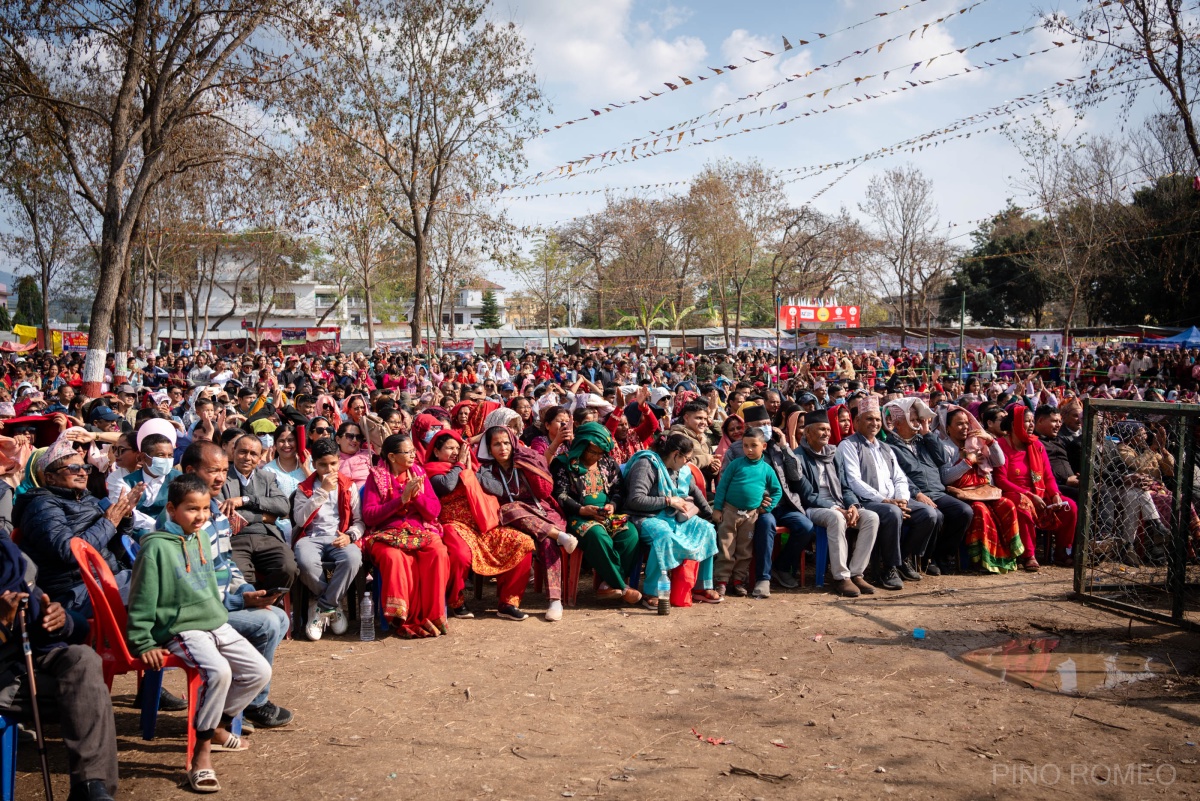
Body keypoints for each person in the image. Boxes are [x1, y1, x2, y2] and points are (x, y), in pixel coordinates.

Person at [127, 473, 272, 793]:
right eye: (192, 509)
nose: (201, 516)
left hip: (215, 623)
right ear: (171, 509)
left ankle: (218, 726)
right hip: (181, 629)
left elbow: (211, 591)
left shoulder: (203, 539)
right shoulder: (155, 548)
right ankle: (200, 756)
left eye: (206, 509)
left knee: (259, 670)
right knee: (218, 671)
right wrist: (143, 641)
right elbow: (141, 598)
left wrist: (239, 602)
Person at [180, 440, 293, 730]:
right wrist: (241, 602)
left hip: (223, 596)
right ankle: (245, 704)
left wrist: (245, 591)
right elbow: (190, 588)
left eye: (223, 471)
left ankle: (247, 697)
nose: (220, 477)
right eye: (212, 471)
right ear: (191, 471)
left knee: (279, 616)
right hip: (193, 614)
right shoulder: (185, 519)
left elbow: (227, 564)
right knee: (267, 624)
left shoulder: (215, 512)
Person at [15, 438, 142, 617]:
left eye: (86, 468)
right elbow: (68, 551)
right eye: (74, 469)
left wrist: (125, 518)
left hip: (108, 577)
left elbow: (113, 552)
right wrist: (109, 523)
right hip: (74, 592)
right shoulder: (41, 505)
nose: (83, 473)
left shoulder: (90, 500)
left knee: (159, 573)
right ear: (50, 477)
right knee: (148, 582)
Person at [425, 430, 534, 621]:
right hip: (453, 524)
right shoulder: (432, 470)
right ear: (436, 452)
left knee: (522, 542)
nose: (455, 452)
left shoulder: (475, 467)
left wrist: (473, 472)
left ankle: (508, 603)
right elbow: (446, 486)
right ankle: (456, 602)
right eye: (450, 448)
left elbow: (498, 489)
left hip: (482, 524)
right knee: (460, 554)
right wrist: (460, 466)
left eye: (458, 448)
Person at [837, 397, 938, 590]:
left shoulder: (885, 446)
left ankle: (902, 559)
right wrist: (885, 500)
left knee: (928, 514)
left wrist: (900, 498)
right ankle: (887, 568)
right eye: (869, 419)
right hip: (867, 501)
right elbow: (853, 481)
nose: (874, 423)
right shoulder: (848, 445)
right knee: (892, 513)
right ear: (857, 422)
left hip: (893, 500)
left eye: (877, 419)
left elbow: (899, 477)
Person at [477, 426, 574, 622]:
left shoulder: (525, 459)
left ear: (513, 443)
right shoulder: (486, 470)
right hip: (514, 517)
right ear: (489, 447)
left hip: (541, 511)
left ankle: (555, 601)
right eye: (497, 444)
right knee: (509, 508)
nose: (503, 448)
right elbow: (498, 492)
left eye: (506, 443)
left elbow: (544, 491)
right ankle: (559, 536)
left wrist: (530, 468)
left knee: (547, 541)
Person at [361, 434, 450, 638]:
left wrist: (416, 496)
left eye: (413, 451)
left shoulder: (419, 474)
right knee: (394, 558)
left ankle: (433, 616)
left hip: (419, 532)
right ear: (392, 457)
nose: (413, 455)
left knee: (438, 551)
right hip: (386, 535)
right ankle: (401, 618)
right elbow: (370, 516)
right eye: (407, 452)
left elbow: (434, 511)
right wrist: (401, 500)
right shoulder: (376, 477)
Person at [724, 405, 816, 593]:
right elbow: (726, 480)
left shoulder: (776, 446)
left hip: (785, 503)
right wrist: (754, 498)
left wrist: (784, 446)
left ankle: (781, 567)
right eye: (760, 425)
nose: (766, 428)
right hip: (759, 508)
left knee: (805, 527)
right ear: (748, 426)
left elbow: (796, 475)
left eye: (768, 423)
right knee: (766, 524)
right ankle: (763, 578)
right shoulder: (736, 450)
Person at [623, 432, 720, 608]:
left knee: (706, 529)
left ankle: (701, 586)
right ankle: (652, 591)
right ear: (676, 454)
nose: (688, 463)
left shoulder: (681, 471)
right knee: (664, 535)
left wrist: (710, 515)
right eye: (686, 458)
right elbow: (635, 500)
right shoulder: (646, 465)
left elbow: (695, 493)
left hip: (672, 516)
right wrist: (668, 501)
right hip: (645, 518)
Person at [550, 422, 642, 605]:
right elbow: (559, 495)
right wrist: (582, 509)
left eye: (601, 453)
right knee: (597, 535)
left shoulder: (607, 462)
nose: (597, 456)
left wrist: (613, 506)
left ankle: (607, 585)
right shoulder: (564, 463)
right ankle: (621, 586)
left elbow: (618, 490)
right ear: (582, 446)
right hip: (576, 515)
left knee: (630, 533)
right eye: (593, 452)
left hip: (606, 514)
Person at [883, 397, 973, 575]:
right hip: (914, 494)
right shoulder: (889, 447)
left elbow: (942, 459)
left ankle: (941, 556)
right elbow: (898, 476)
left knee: (964, 511)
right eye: (914, 420)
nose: (918, 423)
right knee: (936, 516)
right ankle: (920, 558)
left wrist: (927, 434)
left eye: (919, 420)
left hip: (937, 491)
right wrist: (917, 494)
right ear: (899, 424)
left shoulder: (923, 440)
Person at [796, 410, 879, 597]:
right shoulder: (798, 457)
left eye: (827, 429)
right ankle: (841, 577)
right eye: (821, 430)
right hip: (813, 508)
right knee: (836, 518)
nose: (826, 433)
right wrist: (836, 508)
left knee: (871, 517)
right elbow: (807, 495)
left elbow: (845, 487)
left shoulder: (834, 454)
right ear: (807, 433)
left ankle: (856, 573)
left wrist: (853, 506)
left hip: (839, 504)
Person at [934, 406, 1024, 574]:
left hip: (983, 491)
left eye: (967, 424)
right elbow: (945, 478)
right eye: (959, 424)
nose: (965, 428)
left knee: (1008, 505)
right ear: (947, 427)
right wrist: (968, 462)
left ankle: (1006, 558)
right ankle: (982, 561)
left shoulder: (976, 442)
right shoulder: (944, 447)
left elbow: (999, 462)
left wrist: (990, 440)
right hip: (961, 494)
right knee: (980, 511)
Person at [291, 438, 365, 640]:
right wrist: (322, 491)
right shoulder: (304, 488)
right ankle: (333, 605)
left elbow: (359, 522)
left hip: (338, 536)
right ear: (313, 464)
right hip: (311, 536)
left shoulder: (348, 486)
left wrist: (350, 536)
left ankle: (322, 606)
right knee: (305, 562)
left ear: (339, 461)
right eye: (322, 465)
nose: (328, 469)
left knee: (352, 559)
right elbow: (300, 519)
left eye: (333, 463)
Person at [994, 404, 1078, 570]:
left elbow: (1047, 476)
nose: (1032, 425)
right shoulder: (1001, 445)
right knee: (1023, 505)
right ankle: (1029, 555)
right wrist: (1030, 495)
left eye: (1033, 421)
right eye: (1027, 421)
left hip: (1039, 492)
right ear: (1014, 424)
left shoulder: (1037, 445)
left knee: (1070, 507)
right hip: (1013, 493)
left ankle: (1061, 552)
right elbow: (1001, 480)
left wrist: (1054, 494)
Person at [219, 433, 298, 591]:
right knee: (240, 577)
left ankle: (266, 604)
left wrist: (245, 500)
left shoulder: (267, 477)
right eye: (243, 451)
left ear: (259, 456)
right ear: (233, 451)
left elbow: (283, 507)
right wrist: (262, 516)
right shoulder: (221, 476)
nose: (247, 457)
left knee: (287, 567)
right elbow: (226, 517)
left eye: (253, 453)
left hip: (267, 536)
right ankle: (253, 608)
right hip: (234, 538)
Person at [711, 428, 781, 597]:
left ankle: (738, 581)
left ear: (763, 446)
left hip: (750, 516)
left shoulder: (767, 470)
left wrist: (768, 508)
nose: (749, 449)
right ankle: (721, 581)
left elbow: (777, 491)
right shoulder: (736, 464)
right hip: (729, 512)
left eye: (753, 446)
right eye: (745, 446)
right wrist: (718, 509)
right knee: (726, 547)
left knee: (744, 550)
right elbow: (722, 487)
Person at [124, 431, 182, 539]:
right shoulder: (126, 482)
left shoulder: (179, 479)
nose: (167, 460)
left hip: (173, 532)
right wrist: (155, 525)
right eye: (161, 455)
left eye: (170, 456)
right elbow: (128, 513)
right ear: (143, 457)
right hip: (138, 535)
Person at [335, 420, 372, 490]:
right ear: (338, 439)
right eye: (350, 436)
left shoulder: (369, 455)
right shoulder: (332, 461)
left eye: (358, 437)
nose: (354, 440)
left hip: (369, 493)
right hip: (346, 497)